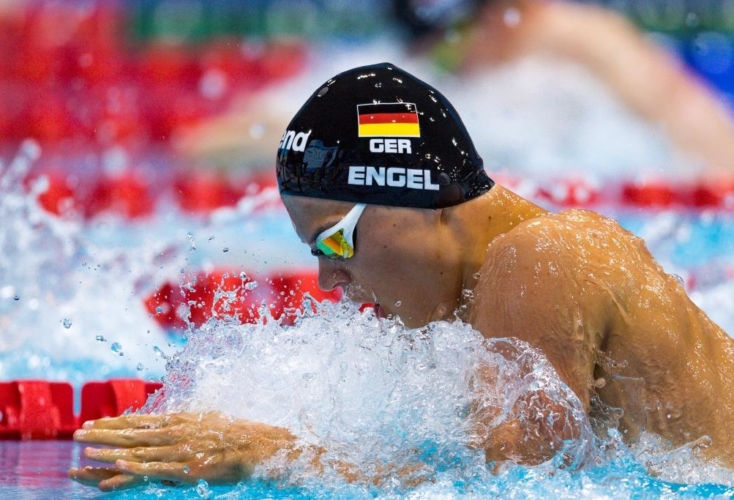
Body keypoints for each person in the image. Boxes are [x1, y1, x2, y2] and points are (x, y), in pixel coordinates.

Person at [69, 62, 734, 491]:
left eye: (334, 240)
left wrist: (271, 453)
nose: (329, 279)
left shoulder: (539, 258)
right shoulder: (484, 294)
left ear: (408, 201)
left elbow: (508, 488)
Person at [393, 0, 734, 177]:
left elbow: (708, 141)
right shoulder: (424, 64)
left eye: (450, 48)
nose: (454, 63)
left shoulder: (585, 43)